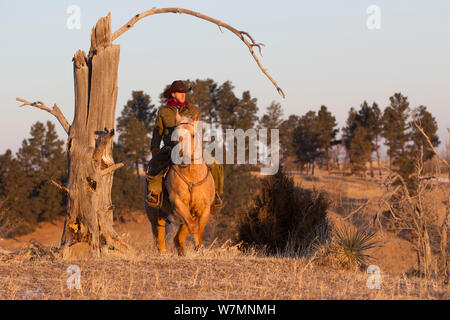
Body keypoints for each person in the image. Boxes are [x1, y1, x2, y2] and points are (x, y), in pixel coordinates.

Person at [146, 80, 224, 210]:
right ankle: (155, 192)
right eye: (180, 92)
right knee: (155, 165)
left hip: (193, 148)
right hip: (171, 147)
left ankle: (215, 193)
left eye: (184, 92)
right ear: (173, 94)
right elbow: (157, 131)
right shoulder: (163, 112)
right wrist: (155, 148)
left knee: (215, 165)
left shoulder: (194, 110)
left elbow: (198, 131)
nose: (183, 95)